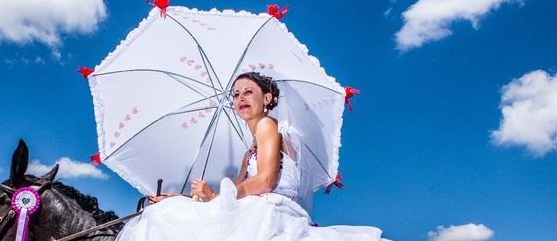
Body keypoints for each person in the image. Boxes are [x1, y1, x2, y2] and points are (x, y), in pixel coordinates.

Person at [115, 72, 387, 241]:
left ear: (267, 98)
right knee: (169, 211)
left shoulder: (269, 126)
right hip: (250, 208)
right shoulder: (249, 153)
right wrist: (184, 199)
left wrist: (217, 196)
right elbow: (232, 197)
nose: (240, 98)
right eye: (235, 95)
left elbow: (265, 181)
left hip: (270, 211)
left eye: (248, 91)